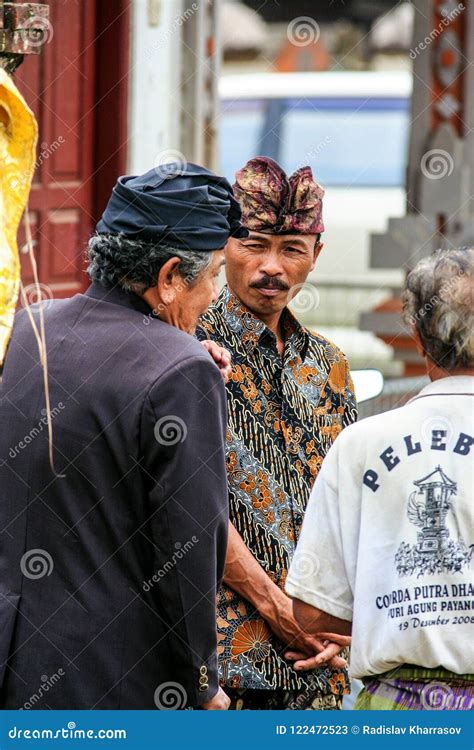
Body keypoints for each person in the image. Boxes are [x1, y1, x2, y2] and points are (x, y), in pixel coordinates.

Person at [0, 163, 248, 710]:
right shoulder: (184, 370)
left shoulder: (24, 329)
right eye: (211, 278)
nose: (213, 297)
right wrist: (201, 680)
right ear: (168, 277)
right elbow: (187, 547)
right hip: (114, 682)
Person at [196, 156, 357, 710]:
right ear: (223, 246)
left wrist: (341, 621)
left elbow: (351, 504)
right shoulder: (189, 352)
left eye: (291, 248)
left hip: (320, 660)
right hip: (221, 666)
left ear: (316, 254)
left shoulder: (328, 365)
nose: (272, 267)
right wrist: (275, 607)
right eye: (254, 243)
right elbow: (181, 507)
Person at [286, 247, 474, 711]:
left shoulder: (359, 444)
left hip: (397, 708)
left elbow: (312, 613)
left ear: (415, 334)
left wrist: (392, 617)